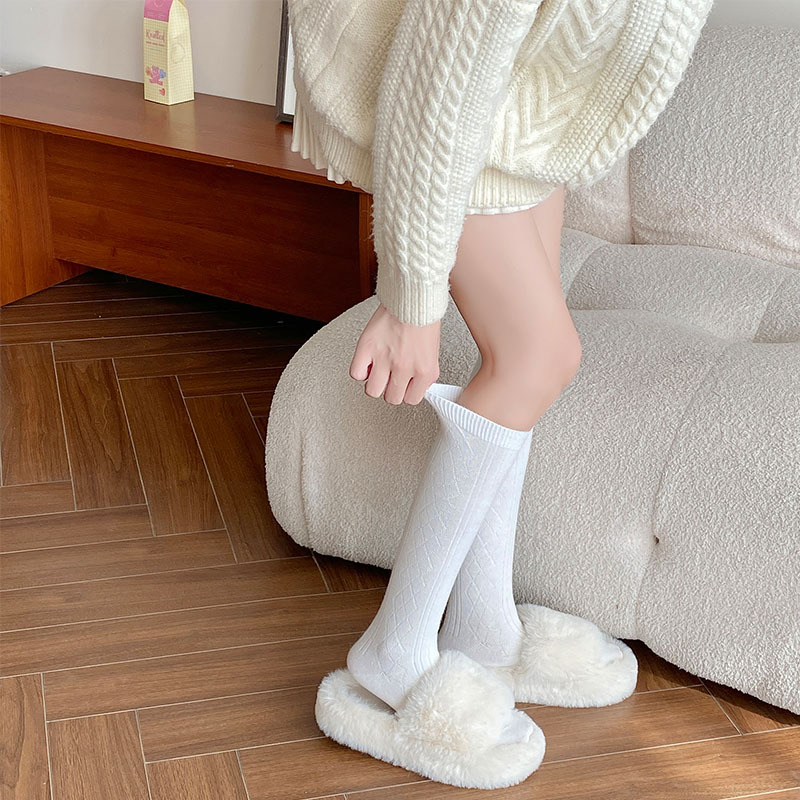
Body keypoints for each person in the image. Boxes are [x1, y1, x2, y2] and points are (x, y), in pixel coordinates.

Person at [288, 0, 713, 788]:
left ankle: (485, 634)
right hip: (438, 115)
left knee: (526, 361)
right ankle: (394, 650)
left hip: (517, 113)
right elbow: (435, 84)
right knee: (538, 358)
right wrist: (411, 297)